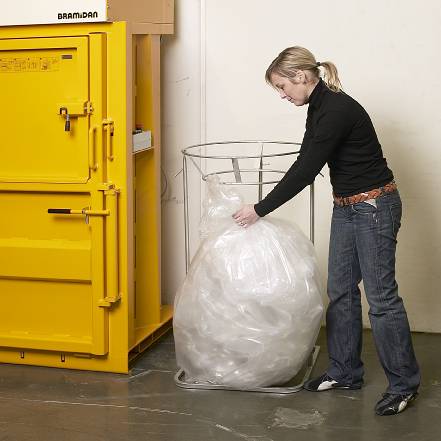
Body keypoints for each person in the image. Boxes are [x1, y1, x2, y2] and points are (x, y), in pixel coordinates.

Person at [232, 46, 420, 416]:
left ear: (302, 76)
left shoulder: (335, 108)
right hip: (348, 207)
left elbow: (305, 171)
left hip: (373, 207)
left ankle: (403, 386)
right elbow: (307, 157)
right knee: (341, 292)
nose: (283, 95)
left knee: (381, 300)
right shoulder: (318, 106)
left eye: (282, 86)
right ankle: (346, 372)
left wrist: (259, 209)